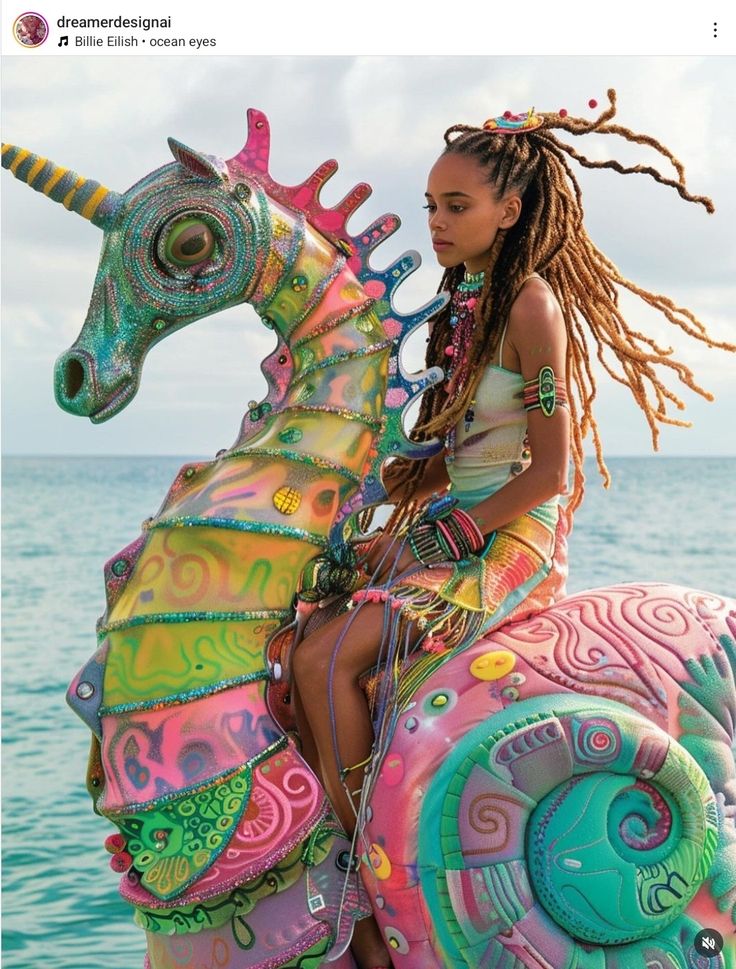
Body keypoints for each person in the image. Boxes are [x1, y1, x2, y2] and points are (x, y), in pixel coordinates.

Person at [290, 89, 733, 969]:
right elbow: (443, 456)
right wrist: (356, 504)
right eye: (431, 205)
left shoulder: (531, 306)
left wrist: (449, 537)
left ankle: (367, 903)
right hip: (457, 525)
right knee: (302, 632)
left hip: (513, 543)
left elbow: (549, 471)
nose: (439, 221)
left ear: (511, 209)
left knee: (328, 660)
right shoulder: (464, 307)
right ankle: (329, 859)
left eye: (457, 206)